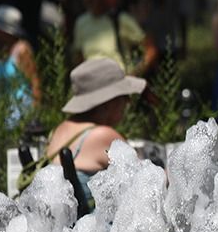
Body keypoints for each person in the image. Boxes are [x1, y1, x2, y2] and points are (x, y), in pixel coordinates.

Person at [45, 58, 146, 210]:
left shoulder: (59, 129)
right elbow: (148, 182)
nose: (129, 103)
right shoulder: (102, 135)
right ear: (108, 103)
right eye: (125, 97)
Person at [0, 5, 41, 131]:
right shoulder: (0, 50)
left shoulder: (23, 49)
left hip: (20, 112)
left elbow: (34, 81)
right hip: (0, 111)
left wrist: (35, 113)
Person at [70, 0, 147, 72]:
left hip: (118, 80)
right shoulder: (80, 22)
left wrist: (134, 73)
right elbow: (79, 56)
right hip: (92, 82)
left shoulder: (119, 19)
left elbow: (150, 48)